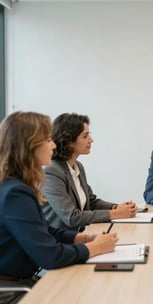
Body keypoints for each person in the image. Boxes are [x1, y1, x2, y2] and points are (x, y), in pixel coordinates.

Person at [0, 112, 118, 304]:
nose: (54, 145)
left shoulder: (17, 185)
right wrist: (93, 248)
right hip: (12, 291)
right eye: (47, 139)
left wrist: (85, 237)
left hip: (24, 282)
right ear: (30, 145)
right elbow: (50, 256)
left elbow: (45, 231)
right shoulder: (16, 193)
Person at [42, 113, 137, 230]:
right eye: (85, 136)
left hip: (80, 235)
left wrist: (116, 207)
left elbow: (91, 202)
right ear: (69, 141)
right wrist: (116, 213)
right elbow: (72, 217)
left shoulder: (78, 166)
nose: (91, 140)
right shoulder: (52, 172)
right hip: (61, 242)